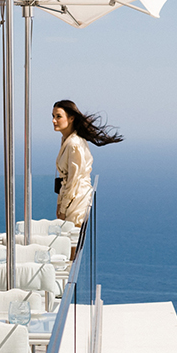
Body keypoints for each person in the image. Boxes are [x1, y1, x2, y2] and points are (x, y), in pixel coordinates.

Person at [51, 100, 122, 253]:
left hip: (77, 201)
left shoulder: (74, 144)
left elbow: (74, 181)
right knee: (67, 246)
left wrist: (63, 209)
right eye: (53, 116)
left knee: (70, 249)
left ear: (71, 118)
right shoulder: (67, 140)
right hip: (71, 198)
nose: (54, 120)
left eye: (58, 116)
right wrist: (59, 204)